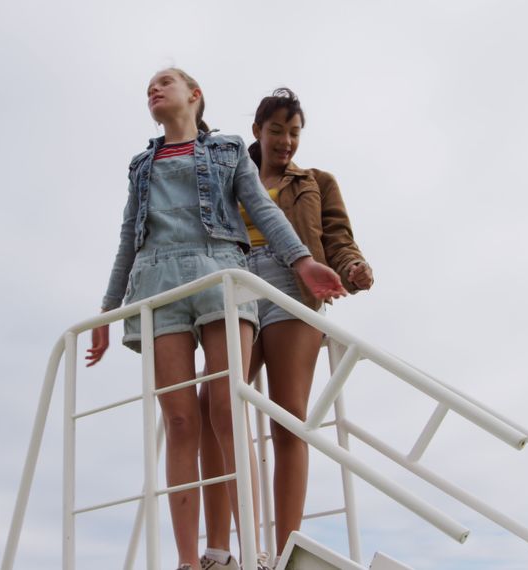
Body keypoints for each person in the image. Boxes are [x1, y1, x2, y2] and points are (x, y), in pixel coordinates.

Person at [86, 70, 347, 570]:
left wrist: (302, 262)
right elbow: (127, 238)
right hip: (158, 284)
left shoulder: (227, 150)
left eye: (164, 82)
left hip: (219, 272)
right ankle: (191, 561)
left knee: (227, 407)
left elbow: (264, 213)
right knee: (181, 419)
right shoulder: (142, 164)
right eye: (147, 89)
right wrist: (107, 311)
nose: (153, 91)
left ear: (194, 95)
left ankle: (251, 555)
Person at [198, 88, 373, 566]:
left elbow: (338, 239)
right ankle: (218, 551)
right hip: (235, 281)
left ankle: (284, 554)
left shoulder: (316, 182)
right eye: (277, 130)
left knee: (287, 415)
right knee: (213, 402)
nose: (286, 141)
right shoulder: (227, 175)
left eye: (294, 133)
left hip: (292, 284)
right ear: (257, 131)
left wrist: (354, 269)